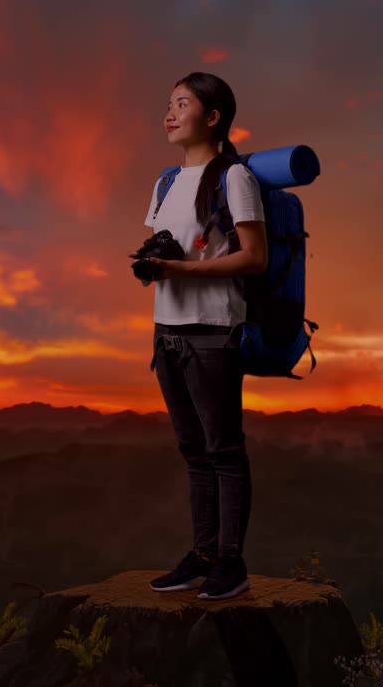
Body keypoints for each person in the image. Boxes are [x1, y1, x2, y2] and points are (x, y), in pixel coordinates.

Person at [132, 72, 266, 600]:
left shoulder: (233, 178)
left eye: (182, 103)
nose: (169, 112)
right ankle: (202, 554)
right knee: (193, 451)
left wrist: (182, 271)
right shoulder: (165, 182)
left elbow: (254, 258)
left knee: (224, 450)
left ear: (212, 118)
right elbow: (166, 248)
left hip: (212, 330)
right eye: (168, 103)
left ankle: (231, 563)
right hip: (167, 331)